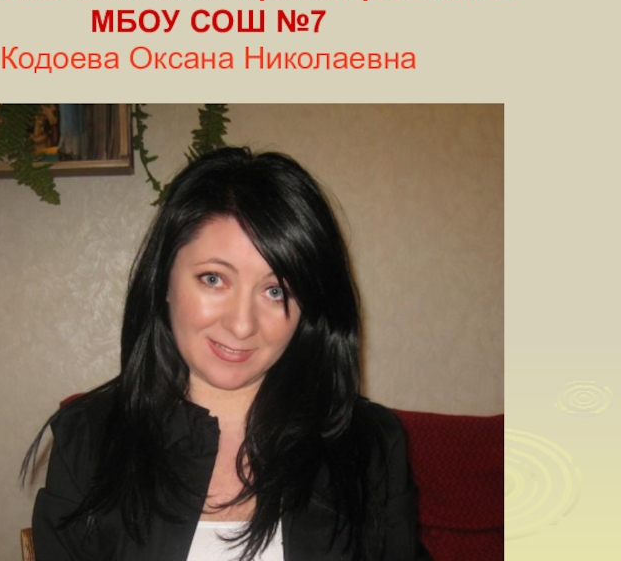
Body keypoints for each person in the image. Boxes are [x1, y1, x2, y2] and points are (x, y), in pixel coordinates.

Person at [24, 148, 429, 561]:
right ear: (164, 280)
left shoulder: (371, 447)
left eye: (276, 291)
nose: (241, 325)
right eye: (214, 279)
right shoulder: (88, 441)